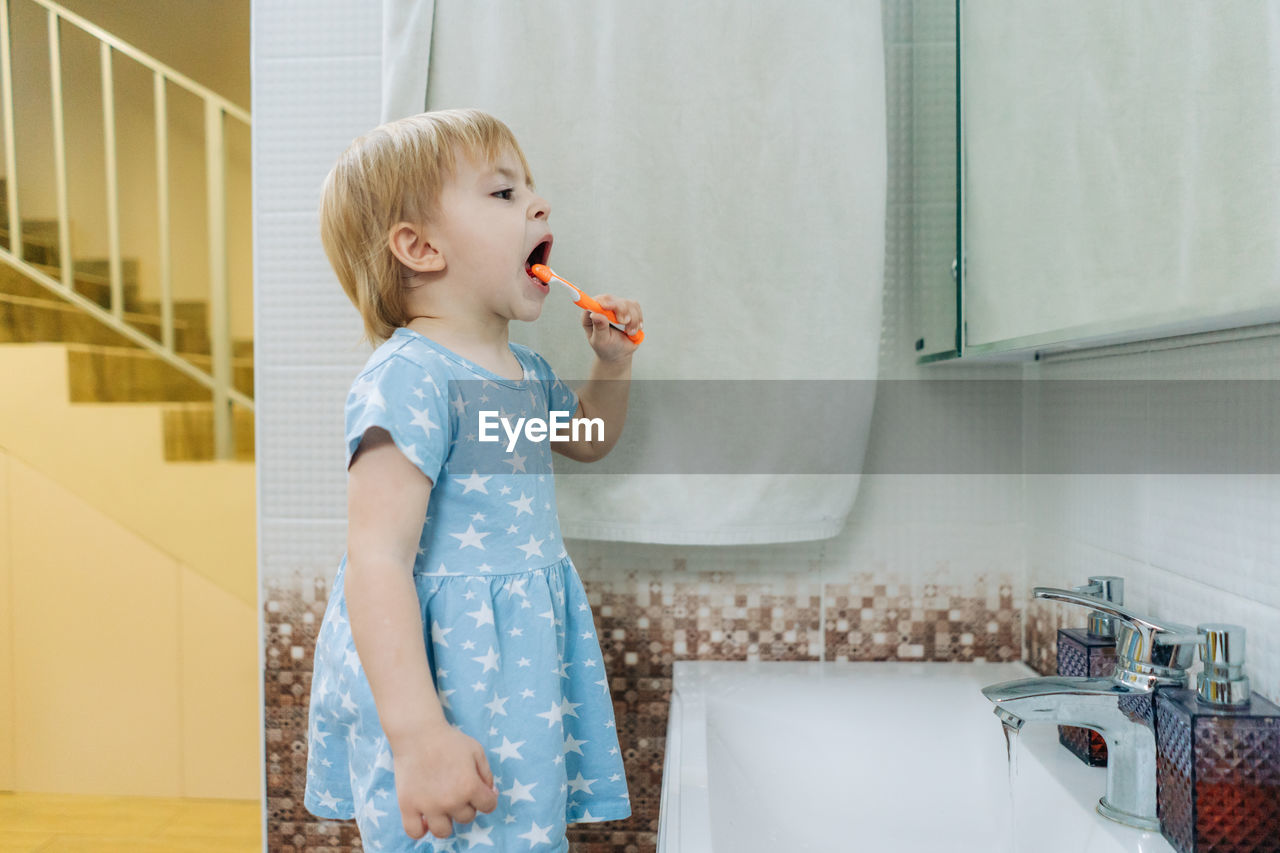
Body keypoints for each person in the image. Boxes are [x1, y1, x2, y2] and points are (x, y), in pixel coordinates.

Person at [304, 109, 639, 852]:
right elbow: (376, 560)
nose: (538, 205)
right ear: (420, 247)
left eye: (530, 190)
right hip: (441, 671)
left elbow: (586, 438)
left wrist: (610, 368)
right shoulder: (410, 378)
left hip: (512, 666)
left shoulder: (525, 377)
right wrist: (419, 732)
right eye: (503, 194)